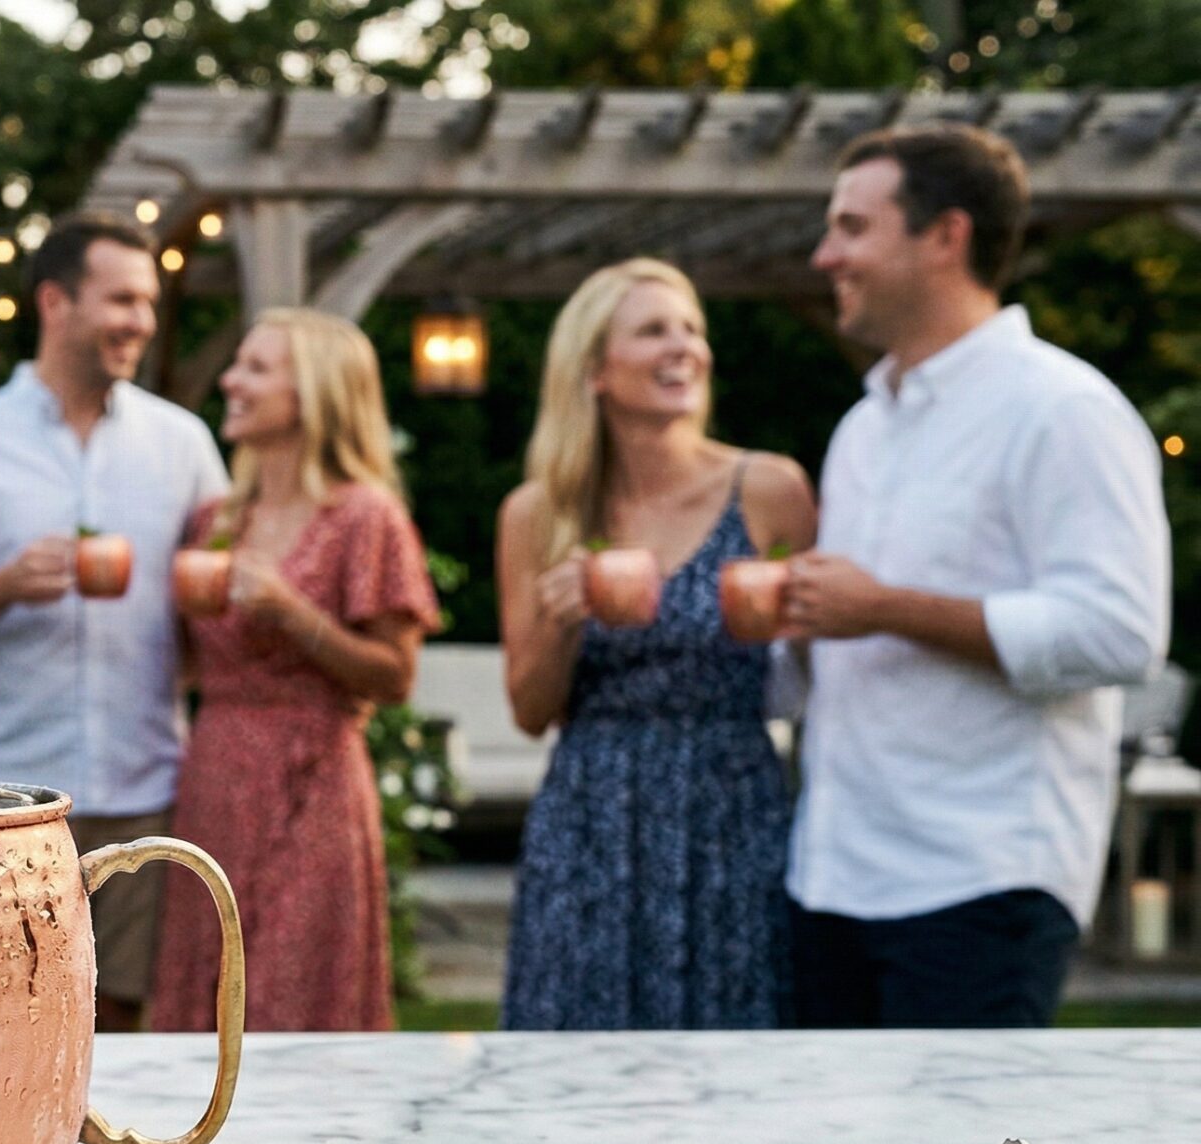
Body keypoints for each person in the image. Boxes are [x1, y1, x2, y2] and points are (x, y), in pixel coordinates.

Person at [787, 125, 1168, 1027]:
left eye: (851, 226)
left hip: (982, 879)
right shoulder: (862, 427)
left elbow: (1119, 632)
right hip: (833, 871)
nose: (823, 253)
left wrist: (880, 607)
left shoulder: (1063, 409)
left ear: (944, 237)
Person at [0, 213, 229, 1031]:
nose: (140, 322)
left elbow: (218, 605)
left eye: (147, 303)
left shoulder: (182, 444)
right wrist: (0, 587)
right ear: (54, 301)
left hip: (144, 783)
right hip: (8, 791)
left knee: (119, 1016)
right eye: (121, 300)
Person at [497, 258, 818, 1031]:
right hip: (592, 817)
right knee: (575, 1059)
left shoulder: (770, 489)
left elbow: (820, 671)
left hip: (731, 808)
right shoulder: (540, 513)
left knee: (733, 1046)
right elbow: (531, 710)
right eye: (653, 330)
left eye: (692, 329)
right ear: (596, 371)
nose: (684, 347)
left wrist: (804, 628)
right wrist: (562, 619)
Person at [150, 310, 438, 1034]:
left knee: (293, 992)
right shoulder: (218, 518)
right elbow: (190, 657)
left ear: (312, 393)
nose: (230, 381)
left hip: (314, 783)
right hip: (215, 777)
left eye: (255, 368)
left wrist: (293, 612)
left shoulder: (364, 516)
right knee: (205, 989)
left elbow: (396, 675)